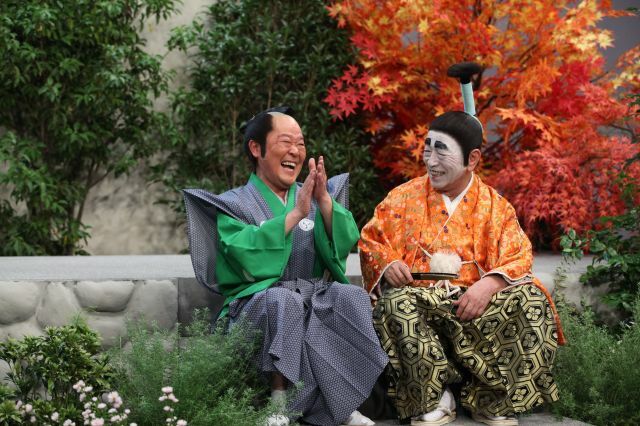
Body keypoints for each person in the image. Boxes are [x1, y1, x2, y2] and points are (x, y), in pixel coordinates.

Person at [359, 107, 565, 426]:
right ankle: (434, 396)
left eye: (441, 151)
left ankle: (493, 399)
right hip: (421, 302)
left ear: (472, 159)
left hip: (479, 305)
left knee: (533, 301)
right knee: (394, 304)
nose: (431, 161)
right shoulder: (402, 198)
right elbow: (372, 240)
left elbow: (519, 255)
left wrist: (490, 285)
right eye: (427, 149)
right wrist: (387, 264)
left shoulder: (495, 206)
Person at [182, 106, 388, 426]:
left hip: (312, 295)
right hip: (256, 307)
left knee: (350, 297)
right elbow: (242, 252)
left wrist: (324, 201)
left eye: (301, 143)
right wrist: (294, 215)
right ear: (256, 148)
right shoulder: (234, 204)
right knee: (284, 300)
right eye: (286, 142)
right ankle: (277, 403)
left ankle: (343, 406)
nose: (295, 151)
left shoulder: (312, 196)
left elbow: (343, 243)